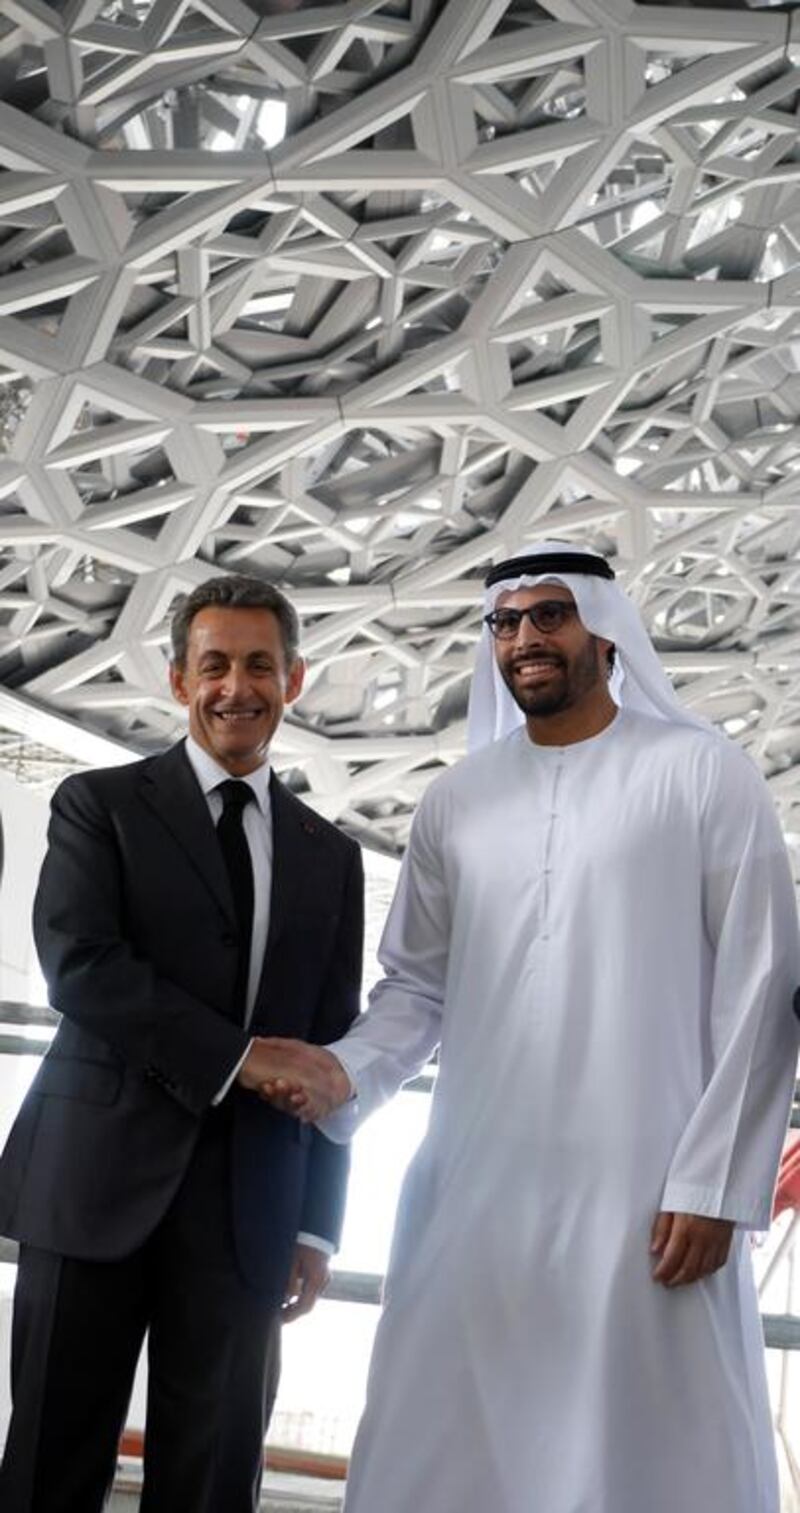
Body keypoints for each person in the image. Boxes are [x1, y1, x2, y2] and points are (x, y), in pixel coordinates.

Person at [259, 542, 800, 1513]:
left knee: (644, 1440)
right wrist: (343, 1075)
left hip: (647, 1188)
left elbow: (763, 983)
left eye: (548, 615)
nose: (524, 639)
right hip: (476, 1179)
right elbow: (414, 990)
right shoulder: (457, 801)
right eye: (504, 623)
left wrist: (715, 1179)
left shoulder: (700, 772)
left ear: (603, 630)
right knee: (449, 1430)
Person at [0, 574, 364, 1513]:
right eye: (214, 665)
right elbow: (80, 965)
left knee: (213, 1479)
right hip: (91, 1185)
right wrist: (244, 1060)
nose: (234, 687)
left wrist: (318, 1221)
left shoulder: (331, 854)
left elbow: (328, 1047)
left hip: (250, 1207)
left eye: (258, 666)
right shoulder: (99, 804)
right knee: (49, 1461)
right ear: (177, 680)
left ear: (294, 679)